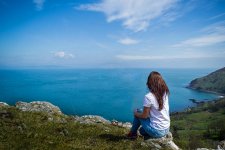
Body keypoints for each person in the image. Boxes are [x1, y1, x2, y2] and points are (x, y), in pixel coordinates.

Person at [127, 71, 170, 139]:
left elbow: (144, 116)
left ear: (150, 83)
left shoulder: (148, 96)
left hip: (157, 131)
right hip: (166, 128)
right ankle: (138, 133)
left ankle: (132, 134)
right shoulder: (165, 92)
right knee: (141, 130)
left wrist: (135, 114)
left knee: (138, 112)